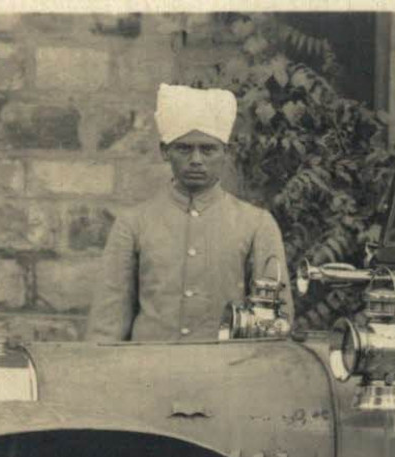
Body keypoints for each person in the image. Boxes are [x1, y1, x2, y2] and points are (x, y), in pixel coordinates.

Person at [88, 84, 293, 342]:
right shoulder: (134, 223)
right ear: (165, 151)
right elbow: (107, 323)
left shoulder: (256, 224)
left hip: (226, 373)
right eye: (184, 149)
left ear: (225, 153)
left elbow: (275, 324)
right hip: (150, 371)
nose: (196, 159)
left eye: (208, 149)